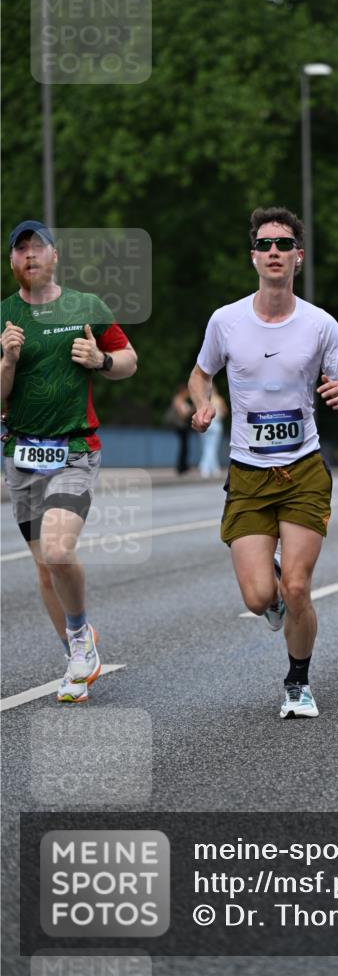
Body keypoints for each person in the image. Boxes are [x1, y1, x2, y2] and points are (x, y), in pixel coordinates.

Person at [188, 206, 338, 719]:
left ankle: (297, 683)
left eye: (284, 245)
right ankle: (272, 595)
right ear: (253, 257)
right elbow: (200, 374)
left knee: (296, 586)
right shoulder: (225, 321)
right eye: (265, 244)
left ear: (298, 257)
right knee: (258, 596)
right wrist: (201, 403)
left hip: (304, 471)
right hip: (247, 473)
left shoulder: (320, 325)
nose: (274, 252)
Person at [1, 220, 137, 703]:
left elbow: (129, 361)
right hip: (20, 454)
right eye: (21, 250)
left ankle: (80, 638)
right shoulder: (4, 317)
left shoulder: (86, 307)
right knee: (43, 569)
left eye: (38, 247)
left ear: (55, 256)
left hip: (75, 450)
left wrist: (100, 359)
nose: (30, 256)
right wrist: (8, 363)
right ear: (13, 262)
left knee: (58, 552)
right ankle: (76, 655)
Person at [198, 382, 228, 478]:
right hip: (216, 425)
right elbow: (224, 412)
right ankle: (207, 468)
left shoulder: (203, 400)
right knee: (212, 448)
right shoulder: (219, 399)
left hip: (205, 424)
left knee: (207, 447)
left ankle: (212, 469)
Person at [167, 382, 195, 474]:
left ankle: (184, 466)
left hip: (183, 427)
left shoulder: (182, 400)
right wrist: (192, 409)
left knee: (185, 447)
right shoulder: (178, 400)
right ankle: (181, 467)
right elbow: (182, 415)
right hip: (180, 426)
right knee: (183, 447)